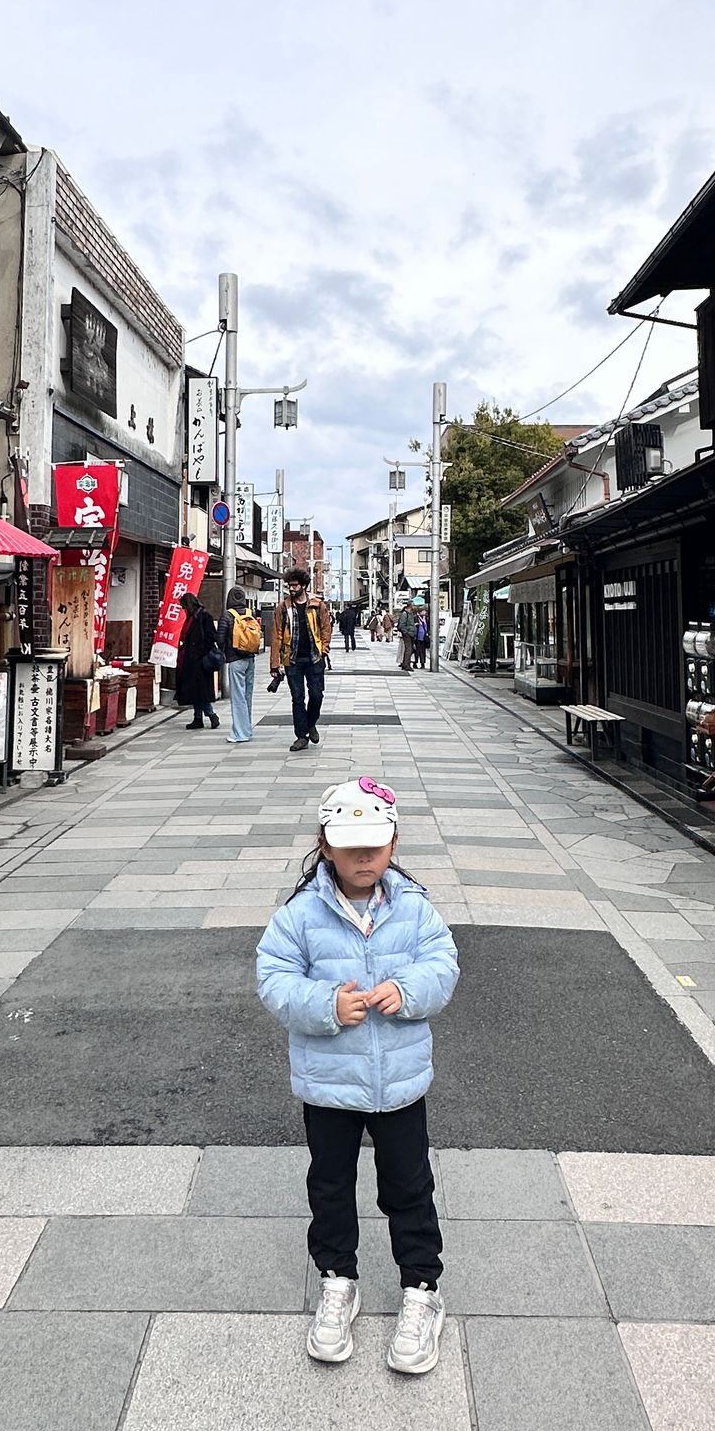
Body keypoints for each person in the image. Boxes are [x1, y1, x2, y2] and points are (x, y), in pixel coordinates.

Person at [256, 775, 459, 1374]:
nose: (364, 856)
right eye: (349, 844)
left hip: (399, 1084)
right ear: (325, 845)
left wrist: (409, 989)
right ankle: (337, 1279)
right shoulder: (299, 915)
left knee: (408, 1187)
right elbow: (274, 978)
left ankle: (421, 1289)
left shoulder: (415, 908)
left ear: (394, 841)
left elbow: (442, 963)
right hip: (328, 1085)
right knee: (331, 1185)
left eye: (375, 842)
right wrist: (324, 1005)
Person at [272, 569, 332, 752]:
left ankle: (311, 722)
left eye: (295, 585)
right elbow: (276, 636)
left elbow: (325, 628)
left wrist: (324, 650)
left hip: (314, 658)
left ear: (303, 586)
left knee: (317, 695)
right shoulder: (283, 608)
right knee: (297, 698)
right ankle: (301, 735)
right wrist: (275, 664)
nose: (291, 589)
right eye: (289, 585)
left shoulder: (317, 605)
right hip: (293, 660)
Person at [218, 585, 260, 745]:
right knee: (247, 696)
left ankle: (239, 733)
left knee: (238, 697)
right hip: (250, 659)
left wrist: (222, 651)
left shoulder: (228, 616)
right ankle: (247, 729)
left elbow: (220, 639)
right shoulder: (251, 614)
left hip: (235, 660)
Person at [175, 589, 221, 730]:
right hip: (190, 661)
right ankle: (197, 718)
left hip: (199, 661)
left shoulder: (203, 617)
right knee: (195, 691)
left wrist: (200, 653)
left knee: (198, 691)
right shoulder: (192, 617)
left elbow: (211, 637)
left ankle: (211, 715)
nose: (183, 610)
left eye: (184, 607)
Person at [396, 600, 417, 671]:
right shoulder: (405, 614)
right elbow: (402, 625)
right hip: (407, 634)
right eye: (413, 605)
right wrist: (406, 632)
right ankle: (406, 665)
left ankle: (405, 664)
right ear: (410, 605)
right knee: (409, 649)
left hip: (411, 634)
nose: (414, 607)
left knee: (410, 649)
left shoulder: (411, 614)